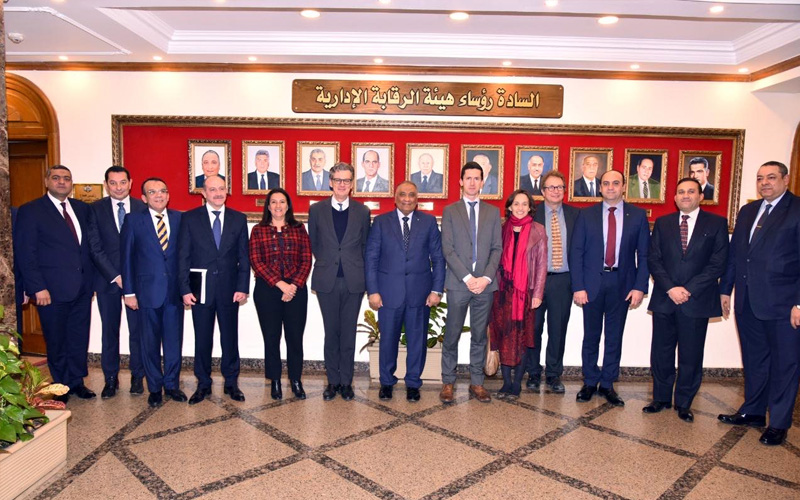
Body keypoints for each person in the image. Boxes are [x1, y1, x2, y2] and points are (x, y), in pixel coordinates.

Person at [719, 161, 800, 446]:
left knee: (785, 364)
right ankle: (753, 411)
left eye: (771, 177)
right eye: (760, 178)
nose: (765, 182)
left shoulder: (797, 209)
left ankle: (778, 422)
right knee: (754, 360)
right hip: (748, 301)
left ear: (785, 180)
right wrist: (726, 289)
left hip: (784, 306)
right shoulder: (748, 211)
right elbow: (736, 255)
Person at [645, 178, 728, 422]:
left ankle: (684, 403)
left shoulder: (716, 223)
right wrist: (671, 288)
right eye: (681, 191)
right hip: (665, 297)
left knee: (691, 354)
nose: (685, 195)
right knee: (661, 352)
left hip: (697, 299)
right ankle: (660, 398)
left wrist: (688, 289)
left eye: (691, 191)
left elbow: (718, 263)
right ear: (675, 197)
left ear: (701, 196)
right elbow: (654, 259)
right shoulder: (663, 223)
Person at [15, 165, 96, 402]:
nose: (62, 182)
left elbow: (87, 248)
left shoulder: (82, 209)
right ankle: (61, 385)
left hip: (82, 288)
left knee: (78, 337)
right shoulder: (31, 211)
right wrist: (36, 287)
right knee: (57, 339)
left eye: (66, 178)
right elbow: (26, 253)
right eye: (56, 178)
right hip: (50, 290)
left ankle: (77, 382)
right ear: (46, 181)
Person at [570, 170, 650, 406]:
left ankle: (607, 383)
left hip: (622, 284)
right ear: (600, 187)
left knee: (614, 336)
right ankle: (589, 381)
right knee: (591, 336)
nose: (611, 187)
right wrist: (578, 286)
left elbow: (644, 254)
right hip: (592, 284)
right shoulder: (586, 215)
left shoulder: (637, 215)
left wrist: (640, 287)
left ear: (623, 186)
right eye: (606, 183)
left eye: (616, 183)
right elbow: (576, 252)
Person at [366, 181, 445, 401]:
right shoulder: (381, 222)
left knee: (417, 341)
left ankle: (413, 383)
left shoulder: (428, 222)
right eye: (403, 194)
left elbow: (438, 258)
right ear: (395, 198)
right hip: (388, 292)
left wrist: (436, 290)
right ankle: (386, 382)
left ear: (417, 199)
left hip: (420, 293)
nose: (407, 199)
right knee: (388, 340)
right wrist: (373, 291)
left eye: (411, 195)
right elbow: (371, 259)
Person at [178, 175, 250, 404]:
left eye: (221, 188)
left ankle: (231, 383)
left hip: (230, 289)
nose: (218, 193)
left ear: (227, 190)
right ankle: (203, 384)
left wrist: (243, 286)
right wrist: (184, 288)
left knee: (230, 338)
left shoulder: (239, 219)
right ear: (204, 193)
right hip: (200, 290)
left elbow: (244, 257)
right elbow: (183, 256)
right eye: (212, 189)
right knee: (202, 339)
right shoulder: (190, 218)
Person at [440, 162, 503, 403]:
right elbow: (448, 249)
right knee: (452, 334)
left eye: (477, 178)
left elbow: (497, 249)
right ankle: (448, 381)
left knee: (479, 336)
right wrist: (467, 278)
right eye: (468, 178)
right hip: (459, 283)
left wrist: (485, 278)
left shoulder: (492, 212)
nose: (473, 182)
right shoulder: (450, 211)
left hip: (485, 285)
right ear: (461, 181)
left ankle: (477, 383)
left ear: (482, 182)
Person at [121, 177, 186, 408]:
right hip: (146, 293)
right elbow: (126, 259)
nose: (159, 195)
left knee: (173, 342)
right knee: (149, 343)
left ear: (168, 195)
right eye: (153, 192)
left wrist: (187, 289)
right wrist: (129, 292)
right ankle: (155, 387)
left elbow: (185, 256)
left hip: (174, 293)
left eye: (163, 191)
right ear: (143, 197)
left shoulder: (180, 218)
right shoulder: (133, 220)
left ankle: (172, 384)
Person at [309, 162, 371, 401]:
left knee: (348, 334)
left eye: (346, 180)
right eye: (338, 180)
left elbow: (365, 246)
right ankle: (332, 382)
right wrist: (330, 262)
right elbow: (315, 244)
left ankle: (346, 382)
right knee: (331, 332)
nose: (342, 184)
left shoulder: (362, 212)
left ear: (352, 184)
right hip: (327, 281)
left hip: (353, 281)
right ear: (330, 183)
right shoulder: (317, 210)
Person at [87, 166, 147, 398]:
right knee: (109, 332)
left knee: (138, 332)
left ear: (130, 183)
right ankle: (110, 379)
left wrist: (131, 277)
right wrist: (116, 276)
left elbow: (147, 247)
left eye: (123, 182)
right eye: (113, 183)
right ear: (106, 185)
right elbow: (95, 247)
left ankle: (137, 376)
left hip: (138, 283)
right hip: (108, 281)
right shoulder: (95, 209)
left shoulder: (143, 207)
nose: (118, 187)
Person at [250, 188, 312, 400]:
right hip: (267, 291)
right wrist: (280, 284)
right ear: (268, 206)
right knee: (271, 337)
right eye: (274, 202)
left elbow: (306, 259)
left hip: (296, 291)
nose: (278, 206)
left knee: (295, 337)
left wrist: (292, 286)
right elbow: (256, 261)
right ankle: (275, 380)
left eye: (282, 202)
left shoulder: (299, 229)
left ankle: (296, 380)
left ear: (288, 206)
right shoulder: (258, 230)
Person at [489, 190, 546, 399]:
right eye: (516, 204)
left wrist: (538, 293)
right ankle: (506, 383)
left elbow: (541, 265)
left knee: (522, 338)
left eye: (524, 204)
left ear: (530, 207)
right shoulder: (501, 228)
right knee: (504, 336)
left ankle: (517, 384)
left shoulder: (538, 230)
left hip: (525, 293)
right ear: (509, 207)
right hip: (502, 293)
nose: (520, 208)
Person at [527, 171, 580, 394]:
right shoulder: (531, 214)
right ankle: (533, 372)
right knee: (533, 329)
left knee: (558, 329)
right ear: (543, 191)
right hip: (534, 282)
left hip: (562, 280)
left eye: (559, 187)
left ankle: (553, 374)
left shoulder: (576, 215)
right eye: (551, 187)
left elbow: (581, 249)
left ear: (564, 190)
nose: (555, 191)